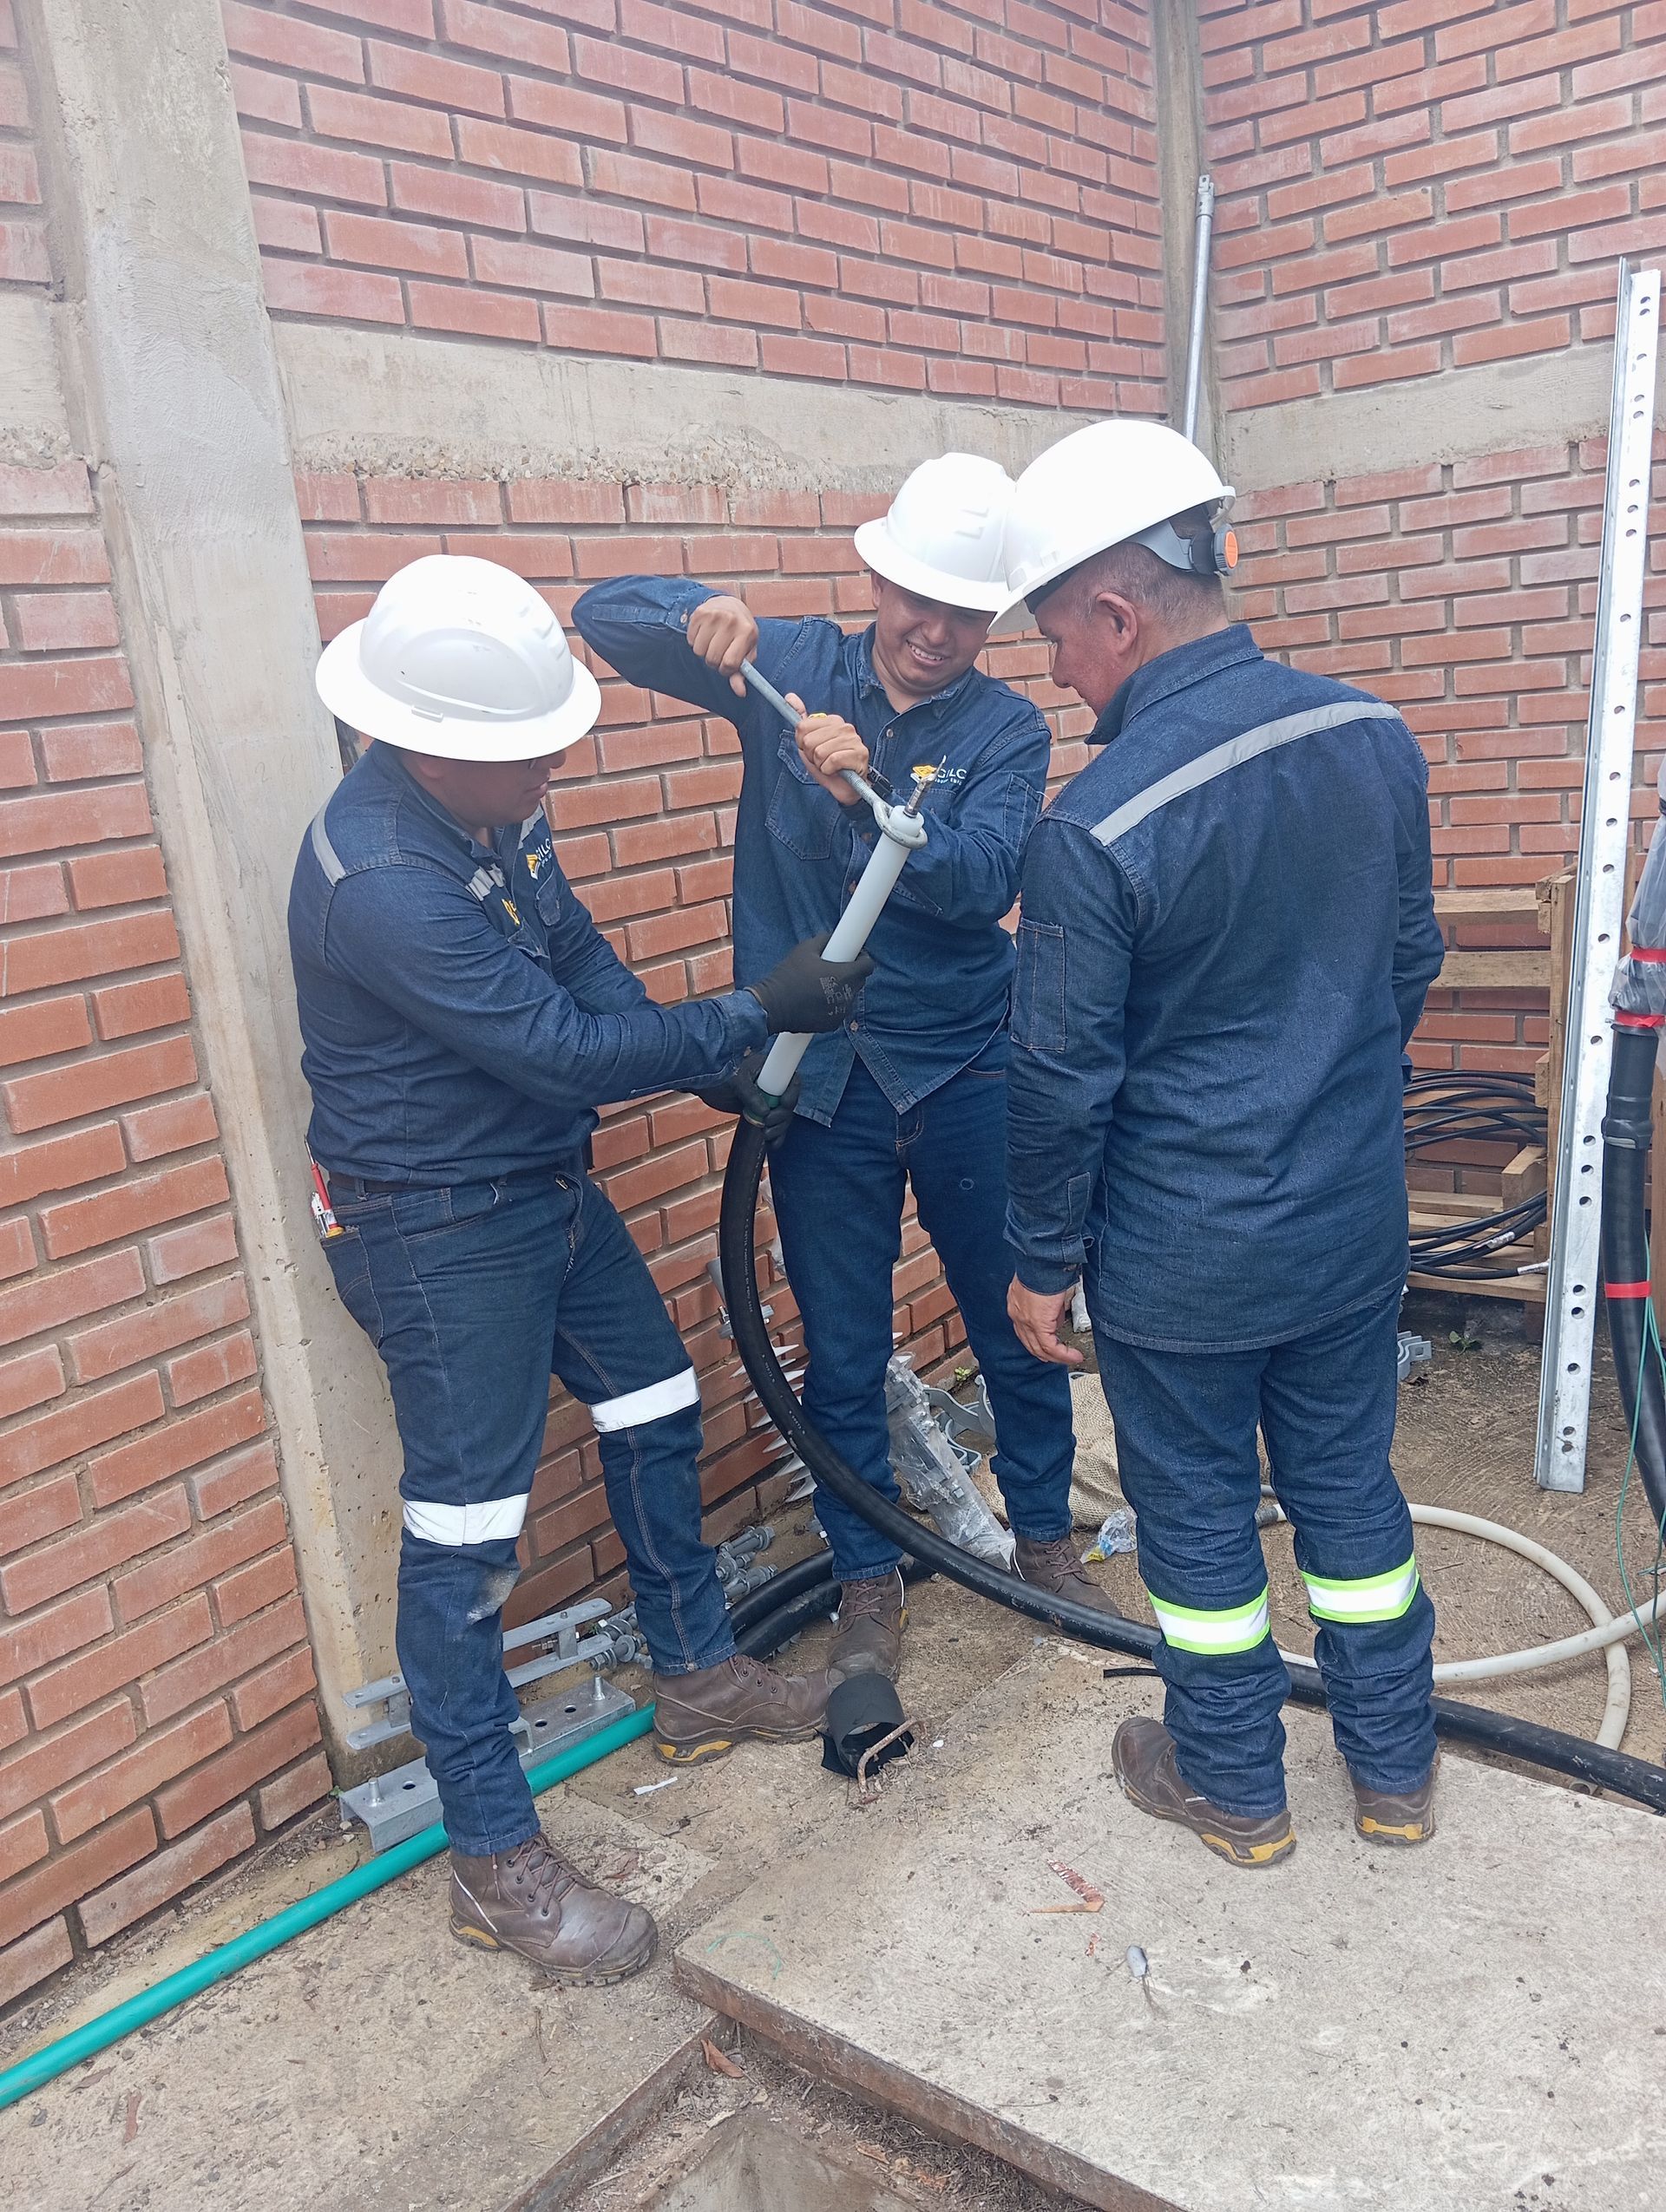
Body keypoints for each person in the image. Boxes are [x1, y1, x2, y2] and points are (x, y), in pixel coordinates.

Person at [289, 554, 875, 1981]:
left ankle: (695, 1675)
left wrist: (724, 1063)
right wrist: (751, 1004)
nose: (557, 760)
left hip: (540, 1182)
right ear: (430, 745)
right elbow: (555, 1049)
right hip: (436, 1228)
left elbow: (583, 966)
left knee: (656, 1399)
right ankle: (494, 1860)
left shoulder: (492, 821)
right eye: (529, 749)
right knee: (467, 1536)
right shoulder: (380, 885)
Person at [574, 454, 1112, 1693]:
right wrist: (693, 613)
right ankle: (870, 1574)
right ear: (876, 574)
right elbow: (605, 619)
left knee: (1017, 1315)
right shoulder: (793, 666)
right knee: (844, 1343)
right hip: (819, 1078)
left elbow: (982, 881)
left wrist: (863, 792)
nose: (934, 632)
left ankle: (1041, 1538)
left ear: (993, 620)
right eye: (915, 598)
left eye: (965, 613)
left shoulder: (1005, 727)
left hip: (966, 1059)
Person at [1000, 421, 1445, 1868]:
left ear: (1120, 612)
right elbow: (1407, 967)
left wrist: (1037, 1263)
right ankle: (1393, 1775)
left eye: (1058, 635)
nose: (1056, 671)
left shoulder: (1097, 822)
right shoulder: (1372, 738)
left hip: (1185, 1261)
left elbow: (1062, 1081)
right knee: (1352, 1497)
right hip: (1345, 1231)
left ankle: (1237, 1791)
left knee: (1195, 1529)